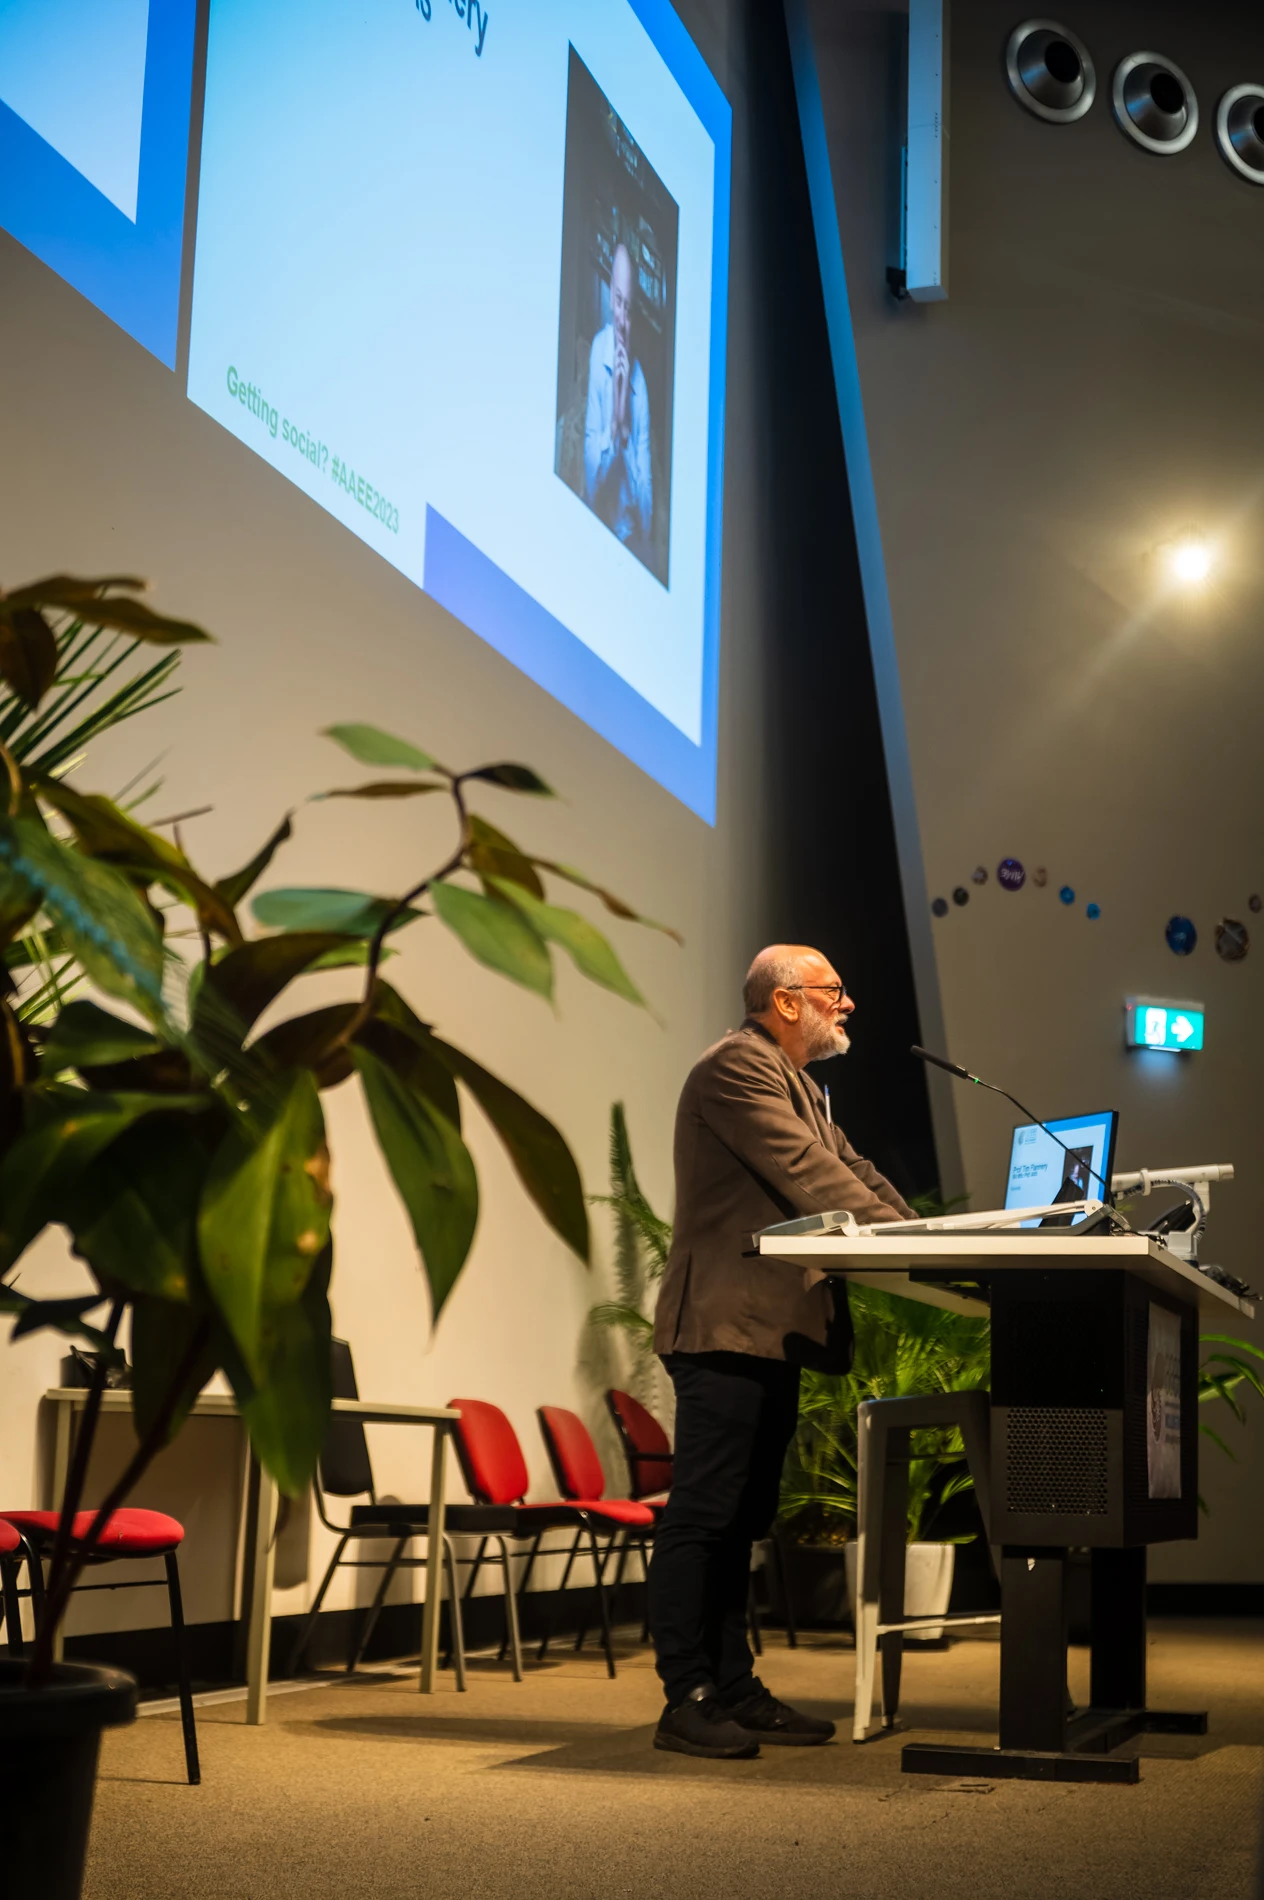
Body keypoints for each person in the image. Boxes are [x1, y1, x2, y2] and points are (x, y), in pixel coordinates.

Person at [649, 944, 916, 1759]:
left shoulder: (800, 1083)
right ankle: (685, 1694)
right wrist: (930, 1249)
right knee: (705, 1515)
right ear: (786, 1001)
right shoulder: (738, 1066)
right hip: (723, 1325)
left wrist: (940, 1239)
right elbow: (810, 1175)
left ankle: (733, 1686)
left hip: (769, 1332)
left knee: (743, 1519)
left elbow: (854, 1169)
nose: (849, 1003)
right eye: (834, 990)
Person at [583, 241, 652, 551]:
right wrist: (614, 425)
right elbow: (590, 487)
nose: (622, 319)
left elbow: (645, 506)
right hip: (593, 521)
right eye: (617, 301)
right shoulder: (599, 351)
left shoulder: (641, 385)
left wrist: (625, 431)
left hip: (626, 539)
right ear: (610, 294)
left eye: (629, 308)